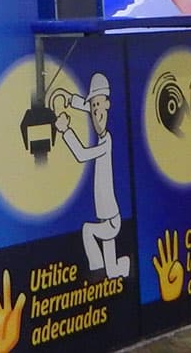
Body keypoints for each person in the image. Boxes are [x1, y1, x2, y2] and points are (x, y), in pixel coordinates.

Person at [55, 73, 130, 278]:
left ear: (108, 104)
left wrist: (66, 131)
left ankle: (96, 272)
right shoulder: (97, 115)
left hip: (111, 220)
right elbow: (88, 107)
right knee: (113, 270)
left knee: (88, 231)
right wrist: (69, 99)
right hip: (105, 215)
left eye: (99, 106)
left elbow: (81, 154)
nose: (96, 112)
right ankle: (123, 267)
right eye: (93, 107)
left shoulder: (106, 142)